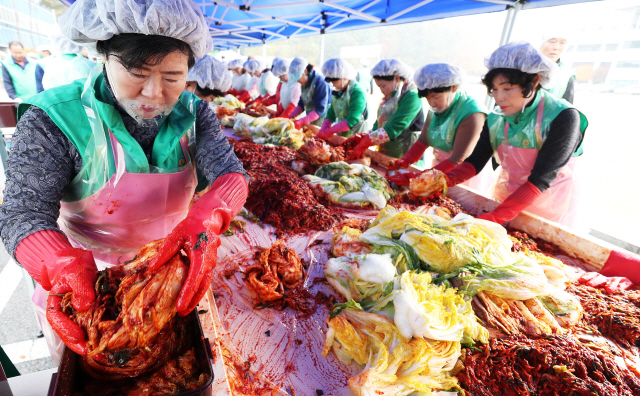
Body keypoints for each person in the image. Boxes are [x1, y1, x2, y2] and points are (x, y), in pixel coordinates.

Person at [0, 0, 248, 357]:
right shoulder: (53, 120)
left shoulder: (195, 114)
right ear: (103, 56)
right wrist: (58, 263)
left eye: (172, 77)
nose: (153, 93)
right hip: (87, 285)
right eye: (136, 72)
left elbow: (231, 174)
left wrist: (209, 216)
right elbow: (21, 214)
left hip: (168, 276)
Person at [418, 42, 587, 228]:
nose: (499, 98)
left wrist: (497, 217)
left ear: (535, 80)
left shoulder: (563, 116)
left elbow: (542, 178)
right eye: (494, 89)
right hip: (506, 197)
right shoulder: (496, 117)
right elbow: (473, 163)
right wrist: (440, 181)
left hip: (548, 204)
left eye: (507, 89)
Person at [387, 63, 494, 193]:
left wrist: (422, 177)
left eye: (436, 97)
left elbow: (459, 158)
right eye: (428, 98)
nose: (432, 103)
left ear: (453, 88)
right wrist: (405, 160)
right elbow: (423, 141)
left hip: (461, 173)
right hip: (439, 168)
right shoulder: (437, 107)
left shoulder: (471, 112)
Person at [343, 59, 424, 160]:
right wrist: (364, 136)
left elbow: (395, 128)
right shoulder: (389, 97)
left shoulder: (412, 96)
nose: (382, 90)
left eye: (383, 86)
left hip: (407, 156)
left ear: (397, 78)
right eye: (379, 87)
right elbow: (380, 123)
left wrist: (364, 144)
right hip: (387, 154)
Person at [317, 58, 368, 138]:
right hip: (341, 134)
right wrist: (323, 129)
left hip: (356, 135)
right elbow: (331, 113)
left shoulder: (357, 92)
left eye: (335, 82)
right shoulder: (340, 90)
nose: (333, 85)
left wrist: (330, 131)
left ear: (344, 77)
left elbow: (352, 120)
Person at [287, 57, 331, 129]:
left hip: (322, 122)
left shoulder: (320, 82)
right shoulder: (304, 83)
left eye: (297, 78)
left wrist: (301, 121)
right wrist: (290, 117)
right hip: (311, 119)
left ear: (305, 71)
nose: (297, 81)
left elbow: (320, 109)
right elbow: (301, 104)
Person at [539, 33, 575, 103]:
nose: (556, 47)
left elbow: (567, 107)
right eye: (552, 42)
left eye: (562, 43)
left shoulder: (567, 75)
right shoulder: (524, 67)